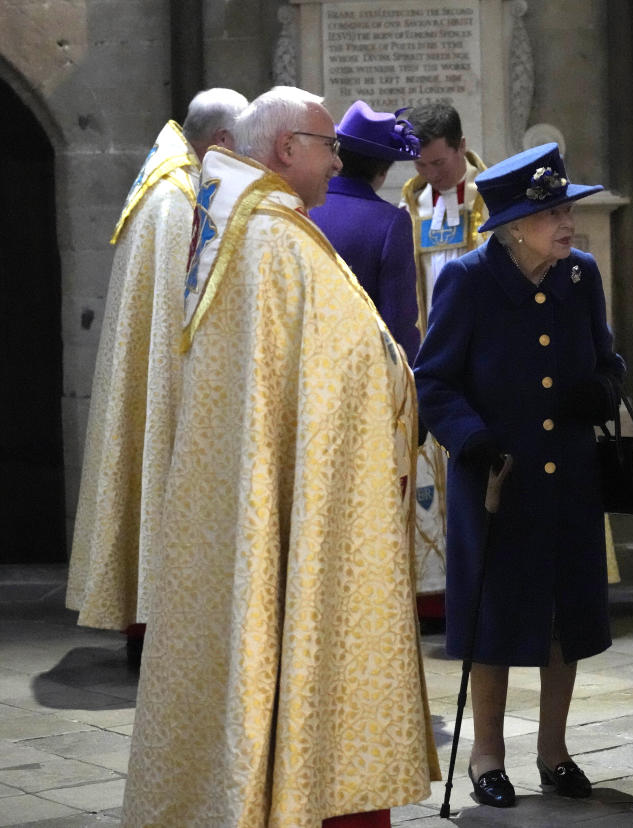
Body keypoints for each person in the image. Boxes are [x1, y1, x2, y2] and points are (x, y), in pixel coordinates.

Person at [121, 86, 438, 828]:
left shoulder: (253, 232)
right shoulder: (274, 241)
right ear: (286, 148)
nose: (337, 161)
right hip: (303, 497)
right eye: (327, 146)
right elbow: (349, 361)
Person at [413, 142, 624, 808]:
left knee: (566, 615)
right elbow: (435, 379)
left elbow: (609, 365)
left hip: (570, 481)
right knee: (494, 619)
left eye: (566, 208)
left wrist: (597, 393)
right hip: (498, 481)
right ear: (510, 226)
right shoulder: (469, 281)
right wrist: (472, 443)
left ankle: (554, 752)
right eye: (551, 213)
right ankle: (486, 756)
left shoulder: (581, 275)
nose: (566, 223)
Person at [66, 88, 247, 665]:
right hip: (172, 388)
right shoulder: (175, 202)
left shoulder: (170, 183)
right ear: (220, 142)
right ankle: (160, 635)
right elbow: (183, 318)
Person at [399, 102, 490, 627]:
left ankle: (486, 589)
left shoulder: (489, 198)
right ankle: (440, 597)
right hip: (432, 359)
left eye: (438, 163)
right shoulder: (412, 206)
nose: (430, 174)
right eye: (421, 166)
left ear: (460, 147)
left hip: (479, 358)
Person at [309, 100, 422, 361]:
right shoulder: (391, 222)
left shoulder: (301, 207)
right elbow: (398, 326)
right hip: (360, 371)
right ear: (382, 171)